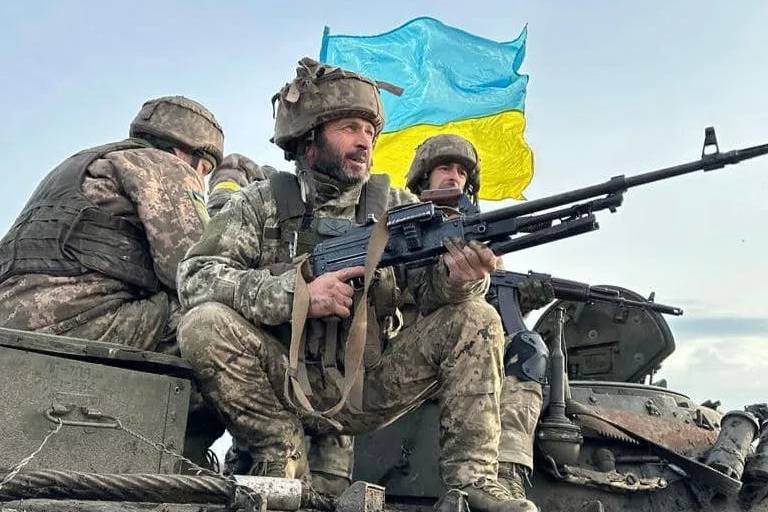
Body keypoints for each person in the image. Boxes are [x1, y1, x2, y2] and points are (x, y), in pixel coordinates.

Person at [177, 57, 537, 512]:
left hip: (368, 385)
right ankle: (281, 453)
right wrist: (297, 294)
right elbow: (196, 277)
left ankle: (474, 482)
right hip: (280, 381)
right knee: (203, 324)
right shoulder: (261, 203)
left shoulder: (397, 208)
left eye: (370, 130)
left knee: (476, 317)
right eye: (349, 127)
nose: (364, 140)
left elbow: (431, 291)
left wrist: (460, 280)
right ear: (310, 137)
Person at [0, 95, 226, 466]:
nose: (200, 178)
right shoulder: (164, 166)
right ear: (187, 152)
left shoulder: (82, 164)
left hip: (14, 322)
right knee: (217, 328)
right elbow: (191, 270)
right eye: (204, 169)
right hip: (79, 319)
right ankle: (189, 464)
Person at [405, 134, 553, 501]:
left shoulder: (481, 241)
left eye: (461, 172)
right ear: (423, 179)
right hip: (410, 352)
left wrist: (522, 299)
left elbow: (490, 319)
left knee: (527, 348)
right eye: (444, 168)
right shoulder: (402, 230)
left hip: (469, 355)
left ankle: (507, 472)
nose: (453, 177)